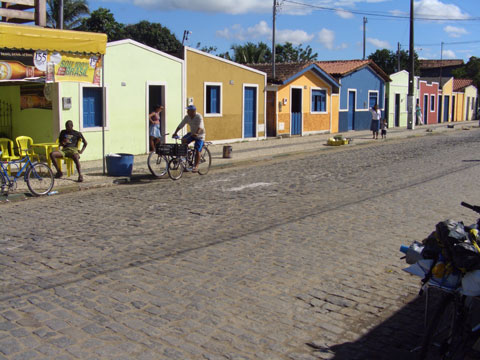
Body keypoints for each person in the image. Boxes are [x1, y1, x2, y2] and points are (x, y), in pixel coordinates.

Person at [172, 105, 205, 172]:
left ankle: (196, 166)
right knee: (183, 140)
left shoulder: (199, 116)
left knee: (197, 150)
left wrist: (197, 133)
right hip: (192, 133)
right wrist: (175, 132)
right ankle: (188, 153)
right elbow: (181, 125)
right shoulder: (187, 117)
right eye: (187, 110)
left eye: (188, 110)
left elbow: (200, 126)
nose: (187, 111)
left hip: (200, 135)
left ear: (193, 111)